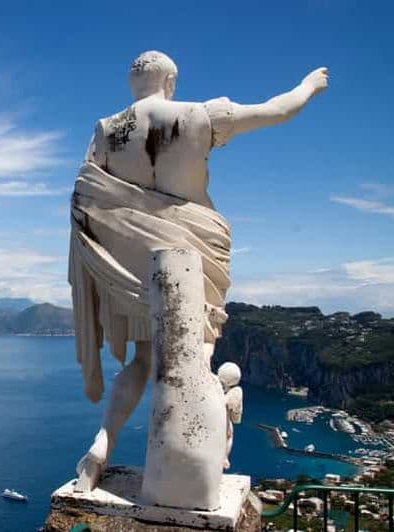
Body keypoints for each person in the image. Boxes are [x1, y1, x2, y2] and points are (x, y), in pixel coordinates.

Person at [70, 50, 327, 491]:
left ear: (132, 83)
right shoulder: (197, 115)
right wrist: (310, 85)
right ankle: (188, 474)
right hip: (191, 258)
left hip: (131, 265)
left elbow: (86, 198)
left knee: (143, 359)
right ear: (170, 80)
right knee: (195, 362)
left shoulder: (105, 130)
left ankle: (103, 444)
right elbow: (278, 110)